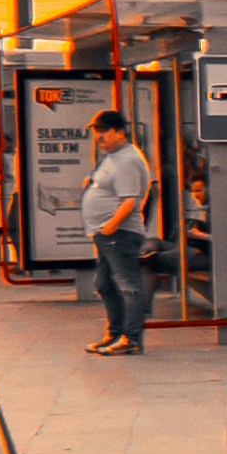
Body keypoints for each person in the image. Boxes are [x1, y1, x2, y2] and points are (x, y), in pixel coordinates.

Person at [81, 90, 159, 357]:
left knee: (128, 285)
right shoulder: (114, 157)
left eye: (104, 132)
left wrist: (111, 226)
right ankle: (114, 333)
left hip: (119, 233)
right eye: (96, 132)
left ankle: (131, 338)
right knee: (105, 283)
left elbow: (130, 200)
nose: (99, 137)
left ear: (120, 133)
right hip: (106, 234)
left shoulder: (127, 160)